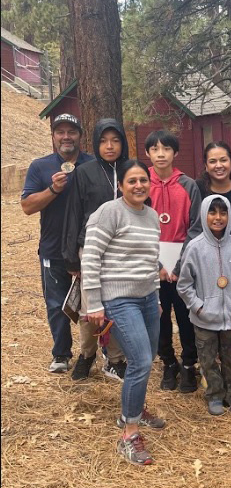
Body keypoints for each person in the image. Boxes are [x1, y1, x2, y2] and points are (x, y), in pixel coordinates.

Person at [80, 160, 165, 466]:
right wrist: (93, 304)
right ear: (121, 185)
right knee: (141, 360)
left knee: (147, 357)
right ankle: (129, 432)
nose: (139, 185)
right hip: (117, 298)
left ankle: (135, 404)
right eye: (132, 181)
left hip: (146, 298)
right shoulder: (110, 212)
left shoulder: (152, 216)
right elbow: (91, 258)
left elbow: (151, 259)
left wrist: (154, 295)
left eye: (143, 180)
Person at [21, 114, 94, 373]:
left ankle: (100, 352)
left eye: (71, 132)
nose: (66, 137)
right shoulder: (40, 167)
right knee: (56, 304)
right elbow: (27, 206)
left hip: (88, 248)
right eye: (60, 132)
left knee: (94, 303)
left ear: (80, 136)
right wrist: (52, 190)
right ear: (53, 137)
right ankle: (61, 354)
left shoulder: (93, 164)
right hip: (53, 248)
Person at [62, 118, 129, 382]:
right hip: (90, 248)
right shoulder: (85, 171)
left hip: (123, 251)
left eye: (115, 140)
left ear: (123, 142)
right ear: (96, 143)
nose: (109, 146)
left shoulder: (130, 168)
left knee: (115, 305)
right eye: (103, 141)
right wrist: (71, 257)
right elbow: (74, 213)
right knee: (91, 309)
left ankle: (115, 359)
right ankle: (87, 355)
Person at [177, 196, 231, 416]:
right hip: (204, 318)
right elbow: (184, 284)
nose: (218, 218)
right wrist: (198, 307)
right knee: (207, 360)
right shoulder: (195, 247)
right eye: (212, 212)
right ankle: (215, 395)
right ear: (204, 214)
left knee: (230, 358)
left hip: (229, 316)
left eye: (223, 213)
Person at [145, 130, 202, 393]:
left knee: (185, 315)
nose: (160, 154)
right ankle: (168, 362)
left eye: (166, 149)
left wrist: (179, 265)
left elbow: (196, 226)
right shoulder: (141, 182)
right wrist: (157, 266)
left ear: (175, 153)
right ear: (147, 153)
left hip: (183, 259)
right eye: (155, 149)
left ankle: (189, 364)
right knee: (158, 316)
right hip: (151, 259)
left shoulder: (188, 185)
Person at [196, 141, 231, 241]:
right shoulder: (196, 190)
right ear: (206, 166)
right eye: (213, 161)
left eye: (223, 160)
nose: (219, 165)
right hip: (203, 251)